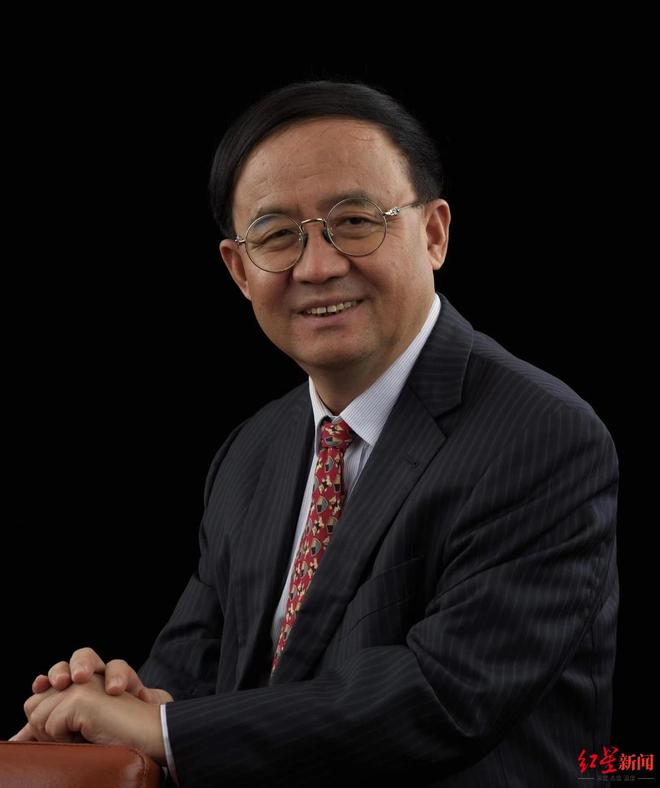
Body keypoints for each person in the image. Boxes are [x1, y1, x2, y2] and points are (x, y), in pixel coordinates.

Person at [10, 79, 619, 787]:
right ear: (239, 270)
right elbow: (193, 677)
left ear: (434, 233)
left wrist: (167, 732)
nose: (319, 266)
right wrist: (116, 703)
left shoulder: (541, 434)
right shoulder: (252, 452)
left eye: (355, 221)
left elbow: (443, 696)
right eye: (277, 236)